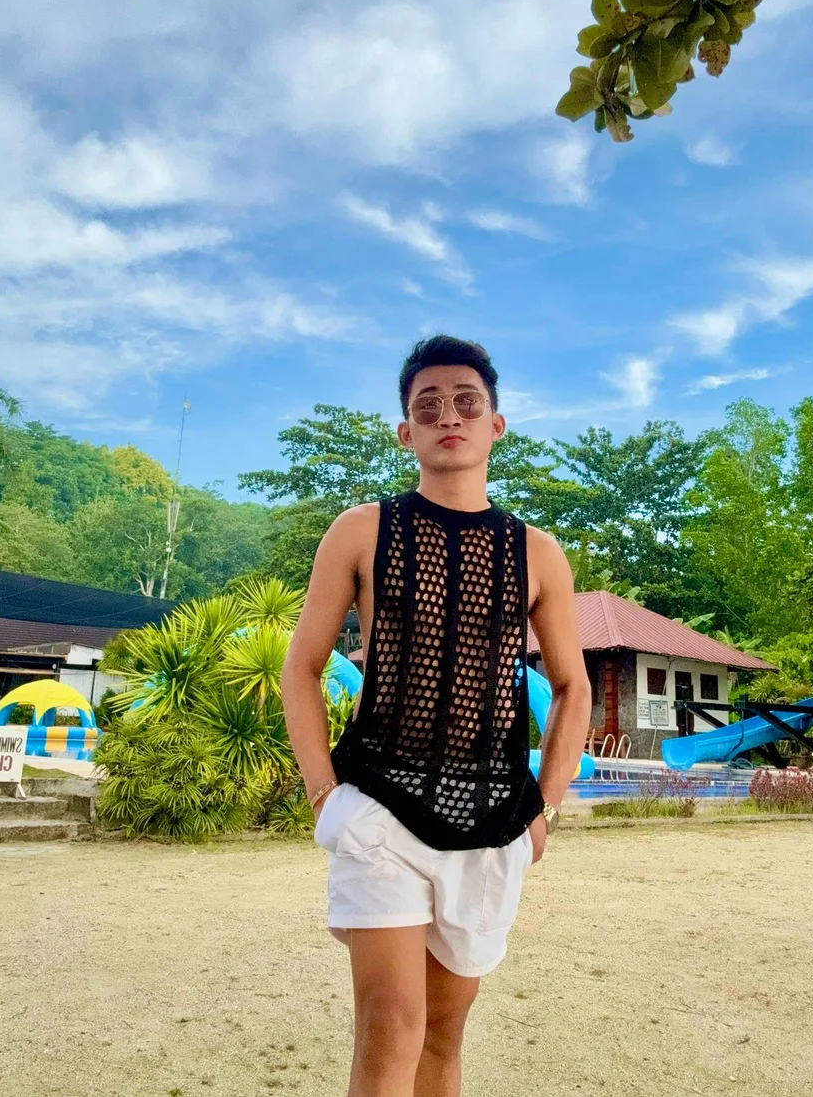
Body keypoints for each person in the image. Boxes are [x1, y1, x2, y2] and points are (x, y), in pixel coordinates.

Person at [281, 334, 592, 1097]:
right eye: (428, 406)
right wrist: (325, 793)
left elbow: (572, 686)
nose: (448, 415)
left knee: (445, 1035)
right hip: (379, 806)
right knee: (391, 1024)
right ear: (405, 432)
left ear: (496, 424)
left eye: (465, 402)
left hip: (492, 819)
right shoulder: (361, 530)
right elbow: (302, 666)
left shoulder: (538, 553)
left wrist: (546, 807)